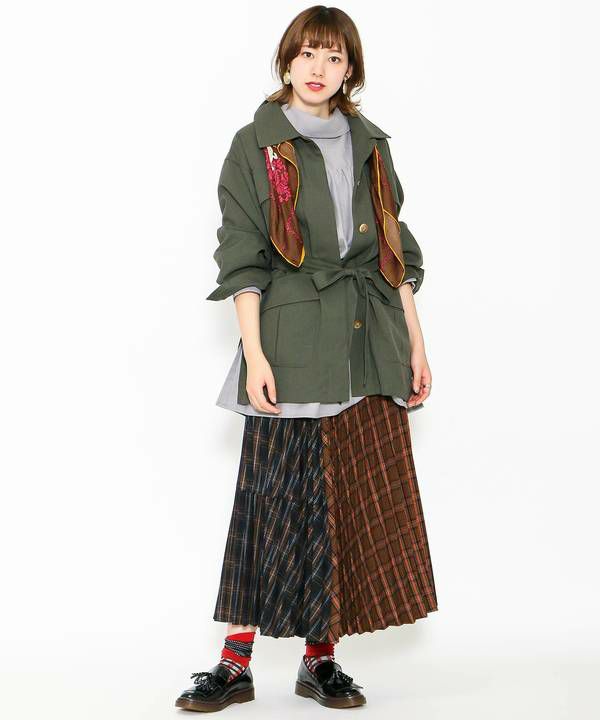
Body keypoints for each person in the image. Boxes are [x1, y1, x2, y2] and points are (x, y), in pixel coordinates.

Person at [175, 5, 437, 712]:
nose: (319, 69)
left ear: (351, 70)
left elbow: (394, 250)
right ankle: (235, 663)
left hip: (369, 342)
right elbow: (243, 254)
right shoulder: (255, 146)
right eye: (308, 54)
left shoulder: (371, 143)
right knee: (271, 502)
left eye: (334, 57)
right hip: (292, 344)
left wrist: (416, 344)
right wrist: (254, 354)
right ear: (286, 61)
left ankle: (320, 661)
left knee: (347, 501)